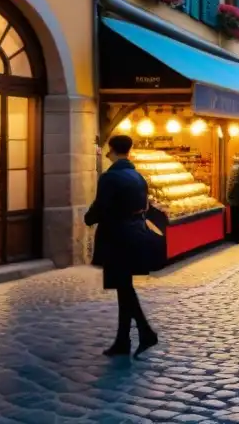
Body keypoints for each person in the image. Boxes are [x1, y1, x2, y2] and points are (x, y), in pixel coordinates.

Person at [84, 134, 158, 357]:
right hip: (135, 234)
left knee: (124, 288)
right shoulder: (137, 176)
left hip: (116, 237)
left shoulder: (110, 178)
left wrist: (89, 218)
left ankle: (145, 332)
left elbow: (101, 207)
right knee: (123, 286)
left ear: (113, 150)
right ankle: (123, 340)